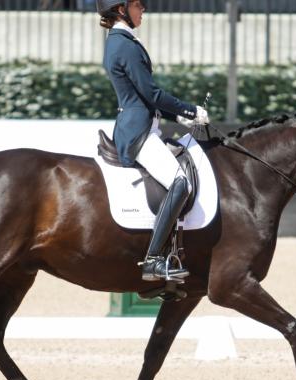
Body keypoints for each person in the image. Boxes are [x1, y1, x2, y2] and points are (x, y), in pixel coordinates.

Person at [97, 0, 209, 282]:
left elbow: (143, 97)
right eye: (138, 4)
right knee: (180, 181)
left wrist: (175, 118)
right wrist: (189, 110)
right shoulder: (124, 45)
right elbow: (151, 93)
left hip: (144, 125)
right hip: (138, 133)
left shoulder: (121, 41)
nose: (143, 8)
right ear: (121, 9)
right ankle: (154, 260)